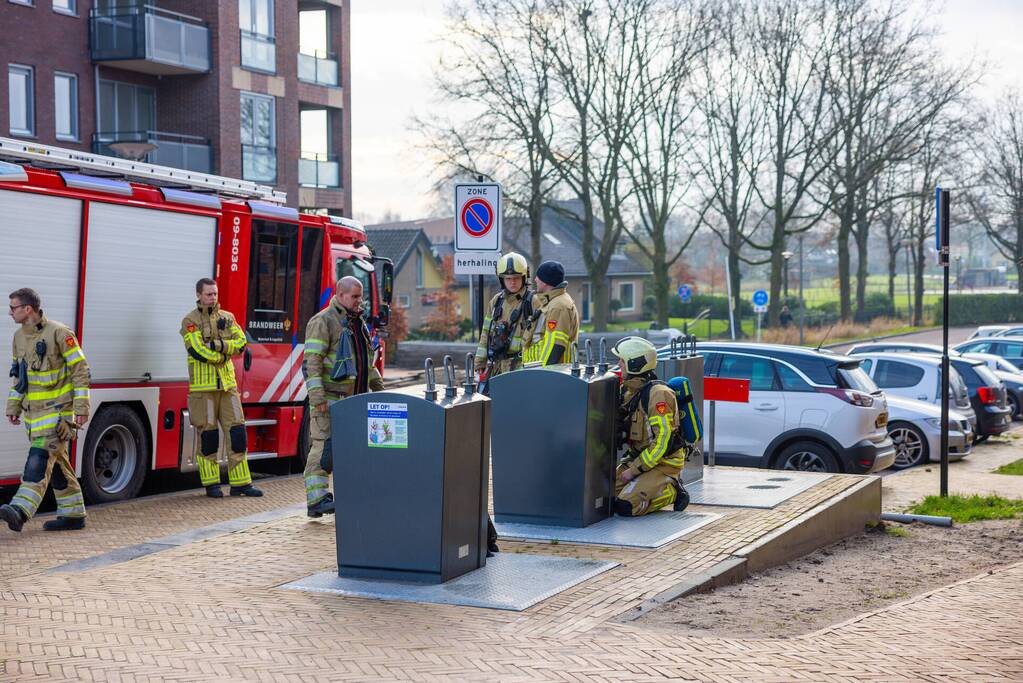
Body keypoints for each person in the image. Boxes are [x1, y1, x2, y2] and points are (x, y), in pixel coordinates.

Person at [1, 288, 91, 532]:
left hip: (58, 417)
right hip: (34, 417)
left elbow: (80, 370)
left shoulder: (60, 333)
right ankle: (73, 514)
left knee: (37, 463)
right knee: (59, 466)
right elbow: (20, 377)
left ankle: (19, 511)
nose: (10, 312)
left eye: (13, 307)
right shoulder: (19, 337)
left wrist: (81, 408)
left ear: (27, 309)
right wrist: (14, 406)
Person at [302, 275, 384, 518]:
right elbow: (312, 364)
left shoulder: (356, 323)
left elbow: (367, 364)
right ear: (340, 295)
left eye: (361, 296)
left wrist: (381, 391)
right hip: (329, 399)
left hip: (354, 401)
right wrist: (318, 399)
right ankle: (316, 499)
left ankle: (349, 495)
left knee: (350, 451)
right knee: (323, 449)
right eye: (355, 297)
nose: (361, 302)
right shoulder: (323, 321)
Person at [180, 278, 263, 499]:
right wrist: (225, 355)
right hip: (203, 390)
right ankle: (212, 485)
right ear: (198, 295)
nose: (213, 298)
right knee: (208, 438)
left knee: (237, 434)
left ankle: (241, 484)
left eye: (215, 294)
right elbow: (197, 350)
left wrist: (218, 346)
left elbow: (242, 343)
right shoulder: (189, 320)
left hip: (228, 387)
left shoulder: (228, 318)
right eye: (208, 294)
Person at [610, 336, 690, 517]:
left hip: (664, 463)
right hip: (639, 459)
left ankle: (673, 490)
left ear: (634, 364)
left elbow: (662, 442)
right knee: (604, 497)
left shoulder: (658, 395)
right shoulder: (628, 391)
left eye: (622, 360)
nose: (619, 364)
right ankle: (647, 484)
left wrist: (634, 471)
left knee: (625, 506)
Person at [474, 252, 533, 381]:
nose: (512, 282)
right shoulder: (496, 301)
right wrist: (480, 362)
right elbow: (485, 333)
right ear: (502, 279)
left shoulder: (533, 302)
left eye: (516, 278)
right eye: (508, 278)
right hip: (497, 367)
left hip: (521, 368)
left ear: (524, 277)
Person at [521, 260, 579, 366]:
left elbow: (556, 345)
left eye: (538, 277)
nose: (535, 280)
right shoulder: (552, 302)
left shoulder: (558, 306)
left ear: (546, 281)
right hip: (542, 372)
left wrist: (544, 374)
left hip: (551, 374)